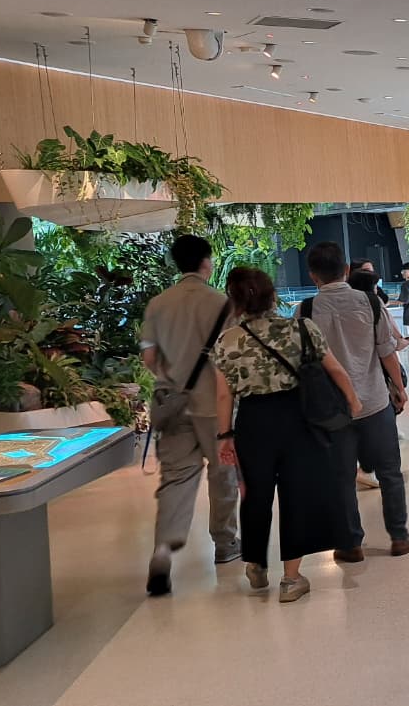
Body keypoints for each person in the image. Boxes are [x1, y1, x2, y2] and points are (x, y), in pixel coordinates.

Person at [212, 267, 360, 603]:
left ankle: (255, 563)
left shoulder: (227, 341)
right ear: (272, 295)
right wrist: (353, 402)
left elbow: (223, 395)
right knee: (297, 496)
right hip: (298, 419)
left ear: (236, 301)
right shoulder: (301, 328)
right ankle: (291, 580)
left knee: (255, 494)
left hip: (253, 422)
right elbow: (335, 369)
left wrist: (225, 435)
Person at [300, 242, 409, 560]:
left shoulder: (305, 310)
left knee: (341, 477)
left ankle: (350, 543)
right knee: (389, 471)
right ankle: (399, 537)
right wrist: (399, 388)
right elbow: (386, 351)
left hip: (332, 410)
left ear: (312, 275)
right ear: (345, 270)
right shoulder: (369, 302)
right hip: (374, 402)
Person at [139, 235, 241, 597]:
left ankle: (163, 549)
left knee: (176, 478)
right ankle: (225, 543)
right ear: (206, 262)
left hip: (174, 404)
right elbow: (232, 357)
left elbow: (149, 358)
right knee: (223, 474)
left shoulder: (158, 304)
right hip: (215, 407)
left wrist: (171, 378)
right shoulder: (222, 304)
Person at [348, 269, 403, 488]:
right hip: (374, 385)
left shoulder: (314, 308)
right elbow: (387, 349)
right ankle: (367, 467)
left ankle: (361, 468)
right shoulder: (373, 304)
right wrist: (399, 387)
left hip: (337, 393)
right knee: (381, 441)